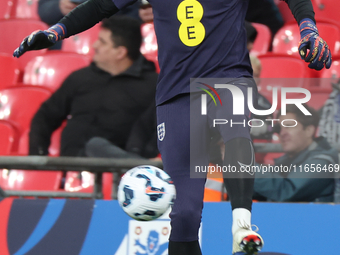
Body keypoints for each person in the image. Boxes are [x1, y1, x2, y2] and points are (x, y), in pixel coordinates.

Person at [13, 0, 332, 254]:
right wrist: (57, 31)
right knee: (185, 215)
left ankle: (242, 224)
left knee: (234, 128)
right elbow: (99, 6)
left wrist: (308, 28)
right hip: (177, 96)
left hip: (227, 77)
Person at [28, 15, 158, 157]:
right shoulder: (80, 77)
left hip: (119, 173)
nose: (94, 45)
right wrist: (38, 156)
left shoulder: (153, 86)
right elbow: (45, 116)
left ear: (120, 52)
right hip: (70, 169)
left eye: (102, 42)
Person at [253, 104, 337, 202]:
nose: (282, 133)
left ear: (309, 130)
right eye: (279, 128)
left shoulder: (322, 162)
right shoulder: (286, 161)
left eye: (289, 126)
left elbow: (286, 191)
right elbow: (264, 192)